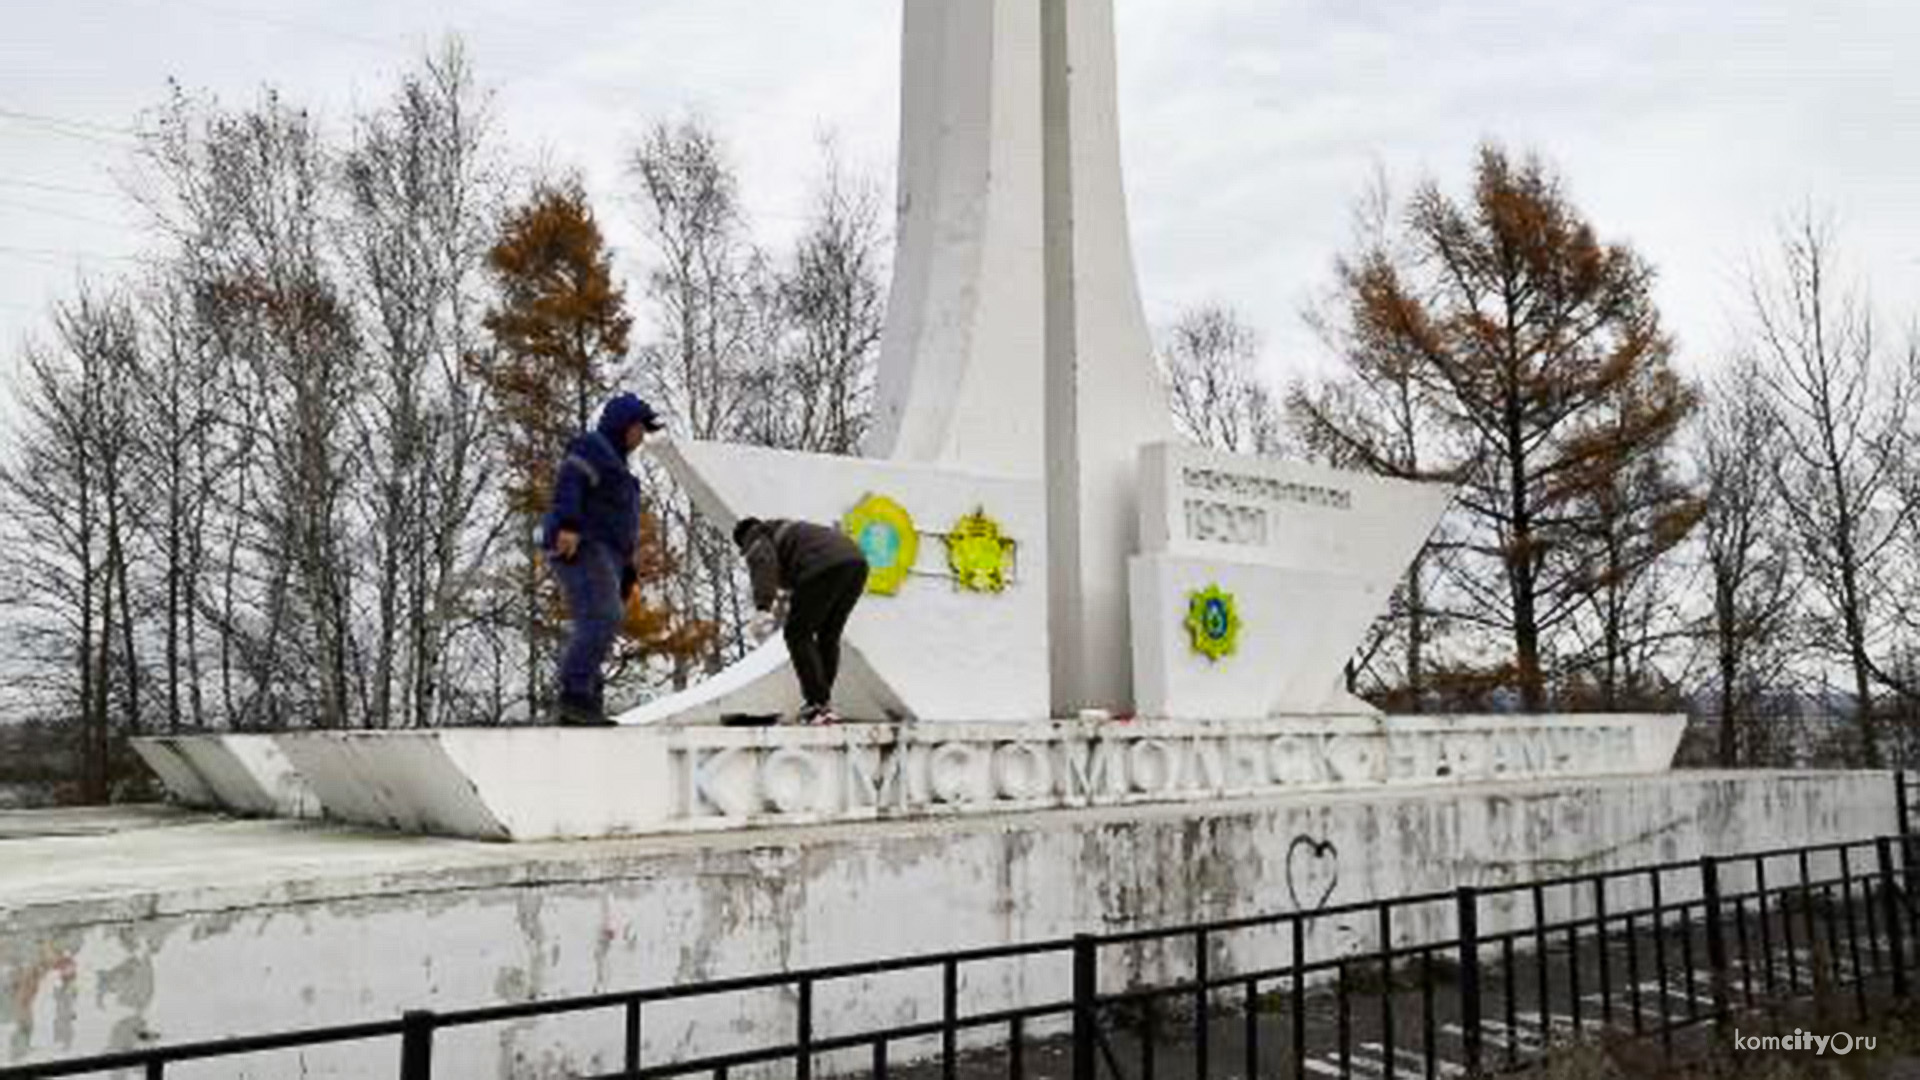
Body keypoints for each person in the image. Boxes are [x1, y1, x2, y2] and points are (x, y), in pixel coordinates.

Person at [542, 392, 664, 726]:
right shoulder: (592, 447)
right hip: (582, 542)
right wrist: (568, 524)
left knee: (602, 622)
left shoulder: (620, 469)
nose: (642, 437)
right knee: (602, 615)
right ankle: (574, 697)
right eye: (640, 428)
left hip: (608, 554)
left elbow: (617, 526)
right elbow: (570, 481)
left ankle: (586, 704)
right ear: (623, 425)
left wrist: (628, 568)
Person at [733, 517, 870, 725]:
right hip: (856, 564)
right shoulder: (790, 532)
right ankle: (823, 704)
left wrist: (762, 608)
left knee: (797, 634)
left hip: (824, 566)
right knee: (828, 635)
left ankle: (817, 704)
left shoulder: (757, 537)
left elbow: (763, 561)